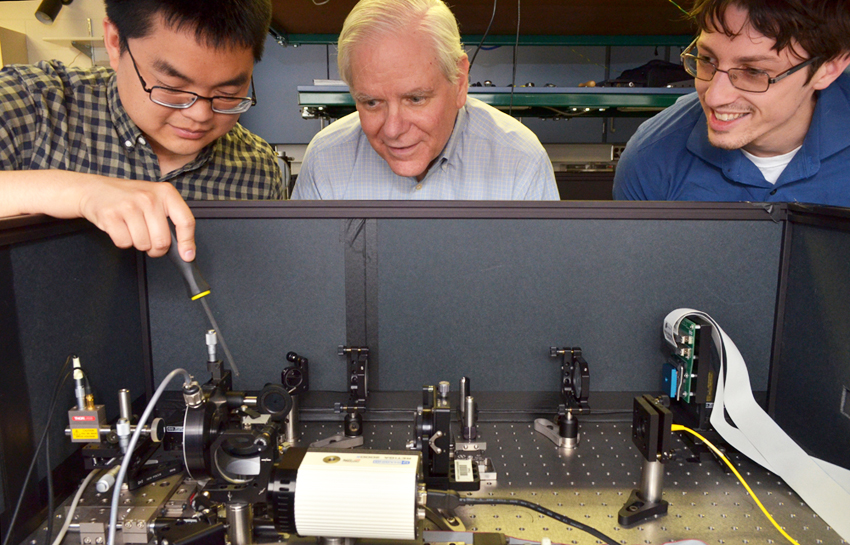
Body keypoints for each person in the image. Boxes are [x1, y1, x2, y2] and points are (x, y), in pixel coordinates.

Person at [0, 0, 283, 261]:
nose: (200, 115)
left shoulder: (257, 169)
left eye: (228, 92)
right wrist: (80, 193)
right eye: (172, 88)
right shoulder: (31, 104)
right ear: (114, 43)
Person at [291, 0, 559, 200]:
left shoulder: (521, 162)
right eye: (372, 102)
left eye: (416, 99)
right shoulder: (325, 161)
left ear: (460, 80)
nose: (393, 129)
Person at [613, 0, 850, 207]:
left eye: (754, 71)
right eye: (706, 59)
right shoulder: (651, 156)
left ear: (828, 68)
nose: (715, 97)